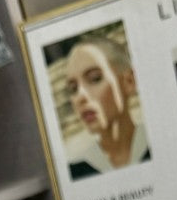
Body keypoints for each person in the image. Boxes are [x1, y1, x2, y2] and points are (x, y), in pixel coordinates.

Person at [63, 35, 150, 178]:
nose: (80, 97)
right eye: (73, 89)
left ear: (129, 81)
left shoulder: (161, 143)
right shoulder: (74, 173)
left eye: (95, 78)